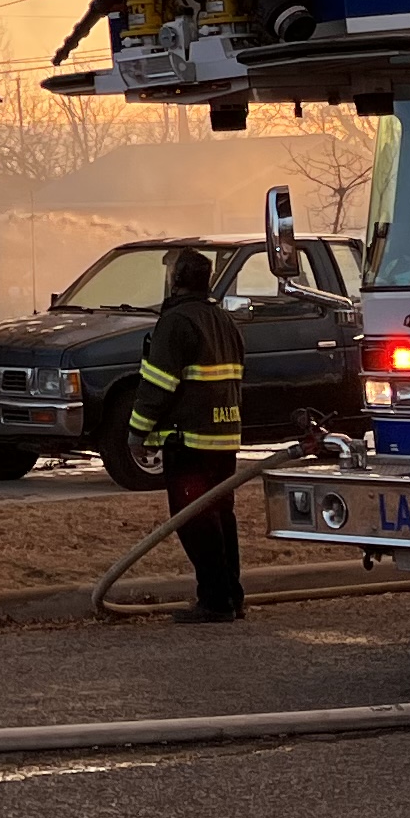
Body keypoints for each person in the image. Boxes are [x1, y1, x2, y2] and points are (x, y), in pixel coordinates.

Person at [126, 244, 252, 621]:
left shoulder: (177, 322)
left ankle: (215, 601)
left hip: (190, 440)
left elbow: (158, 385)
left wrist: (136, 433)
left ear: (177, 280)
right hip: (223, 437)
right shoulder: (223, 321)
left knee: (195, 521)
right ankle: (231, 596)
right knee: (220, 518)